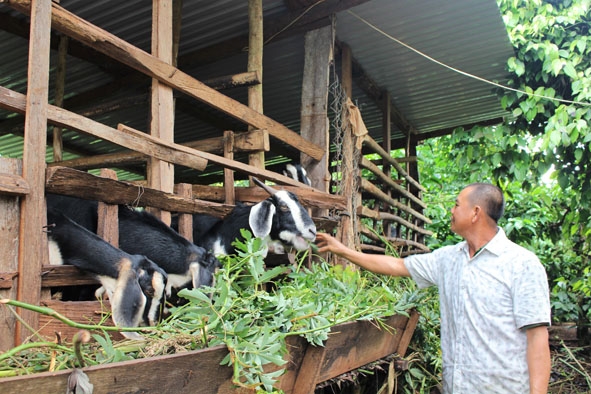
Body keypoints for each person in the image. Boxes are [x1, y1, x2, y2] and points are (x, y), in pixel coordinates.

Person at [315, 183, 551, 394]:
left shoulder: (521, 264)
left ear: (476, 213)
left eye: (457, 205)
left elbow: (537, 339)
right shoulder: (449, 259)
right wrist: (343, 251)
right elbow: (397, 265)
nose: (452, 210)